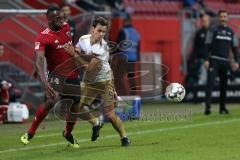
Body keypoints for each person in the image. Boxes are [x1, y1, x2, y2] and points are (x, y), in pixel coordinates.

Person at [20, 6, 102, 148]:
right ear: (49, 19)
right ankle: (30, 132)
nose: (61, 21)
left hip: (73, 73)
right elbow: (39, 60)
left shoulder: (67, 27)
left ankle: (68, 133)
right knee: (52, 100)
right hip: (56, 74)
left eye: (62, 18)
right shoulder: (43, 37)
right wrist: (44, 83)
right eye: (57, 18)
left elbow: (72, 46)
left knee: (75, 106)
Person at [63, 16, 130, 146]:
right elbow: (78, 49)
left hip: (105, 82)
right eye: (99, 30)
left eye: (104, 32)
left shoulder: (103, 48)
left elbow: (88, 68)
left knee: (110, 115)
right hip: (89, 82)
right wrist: (76, 51)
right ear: (92, 29)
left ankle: (124, 137)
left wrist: (75, 55)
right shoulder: (83, 39)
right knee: (77, 108)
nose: (101, 34)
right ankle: (96, 122)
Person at [204, 10, 239, 115]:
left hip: (225, 62)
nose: (223, 18)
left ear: (227, 18)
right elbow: (206, 45)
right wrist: (206, 59)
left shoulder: (231, 32)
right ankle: (208, 107)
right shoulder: (212, 30)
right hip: (214, 60)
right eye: (221, 16)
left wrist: (236, 61)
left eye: (225, 16)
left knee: (224, 86)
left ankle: (222, 108)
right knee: (210, 84)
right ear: (219, 18)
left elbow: (234, 48)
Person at [116, 14, 140, 95]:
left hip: (124, 57)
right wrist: (137, 58)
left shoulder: (123, 31)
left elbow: (118, 45)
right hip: (133, 58)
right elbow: (138, 48)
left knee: (118, 76)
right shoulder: (136, 33)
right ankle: (133, 94)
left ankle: (119, 94)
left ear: (126, 21)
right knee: (131, 76)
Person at [186, 14, 210, 85]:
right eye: (203, 21)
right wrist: (194, 57)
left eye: (206, 21)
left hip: (210, 59)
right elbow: (195, 46)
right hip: (200, 58)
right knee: (197, 75)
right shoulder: (199, 32)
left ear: (209, 21)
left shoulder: (212, 32)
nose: (204, 22)